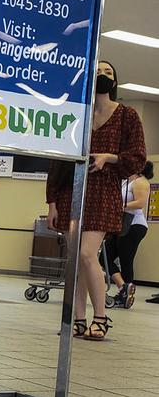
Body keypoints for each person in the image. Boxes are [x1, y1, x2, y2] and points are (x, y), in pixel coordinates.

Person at [46, 61, 146, 340]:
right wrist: (52, 202)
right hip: (70, 190)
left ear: (115, 82)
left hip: (103, 191)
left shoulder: (128, 115)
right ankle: (77, 319)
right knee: (75, 259)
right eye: (98, 72)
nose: (102, 76)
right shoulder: (76, 114)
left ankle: (100, 317)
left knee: (88, 253)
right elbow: (58, 160)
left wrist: (109, 158)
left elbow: (138, 156)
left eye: (108, 73)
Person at [106, 161, 153, 308]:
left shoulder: (141, 182)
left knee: (126, 260)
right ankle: (123, 287)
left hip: (134, 225)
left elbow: (140, 203)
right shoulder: (126, 181)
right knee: (104, 258)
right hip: (121, 224)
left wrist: (119, 206)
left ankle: (125, 295)